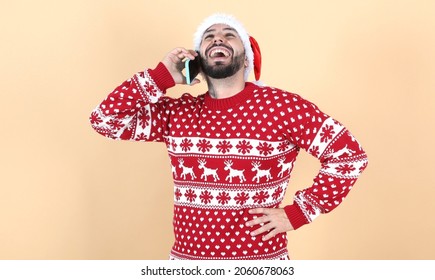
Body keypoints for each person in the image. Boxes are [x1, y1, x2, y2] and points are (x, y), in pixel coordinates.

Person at [89, 13, 368, 260]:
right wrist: (161, 77)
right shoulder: (178, 113)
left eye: (229, 35)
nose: (217, 39)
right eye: (208, 37)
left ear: (246, 55)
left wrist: (297, 214)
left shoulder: (282, 108)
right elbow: (104, 120)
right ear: (197, 58)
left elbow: (350, 157)